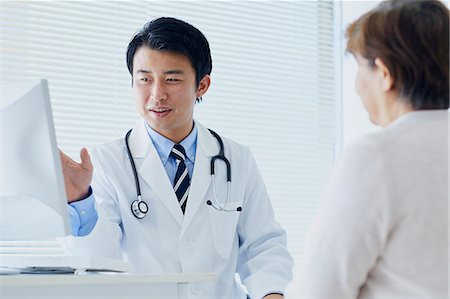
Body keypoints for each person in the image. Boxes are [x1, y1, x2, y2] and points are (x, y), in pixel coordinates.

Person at [60, 17, 293, 299]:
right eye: (145, 79)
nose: (157, 94)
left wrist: (270, 293)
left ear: (202, 85)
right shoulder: (108, 162)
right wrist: (79, 201)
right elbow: (99, 263)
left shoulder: (236, 159)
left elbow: (263, 245)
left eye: (172, 79)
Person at [286, 0, 449, 297]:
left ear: (384, 74)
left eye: (360, 68)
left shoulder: (378, 156)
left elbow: (318, 291)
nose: (358, 85)